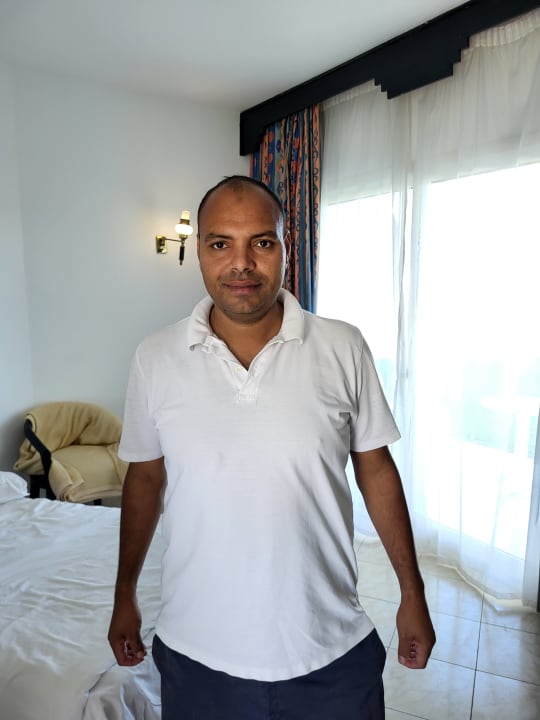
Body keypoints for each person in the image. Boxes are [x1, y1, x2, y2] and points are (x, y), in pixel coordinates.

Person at [108, 175, 435, 719]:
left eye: (261, 242)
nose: (242, 263)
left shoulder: (342, 345)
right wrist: (125, 594)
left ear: (287, 246)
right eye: (220, 244)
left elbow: (376, 471)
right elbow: (144, 478)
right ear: (200, 251)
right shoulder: (155, 356)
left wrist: (412, 593)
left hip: (330, 649)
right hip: (197, 652)